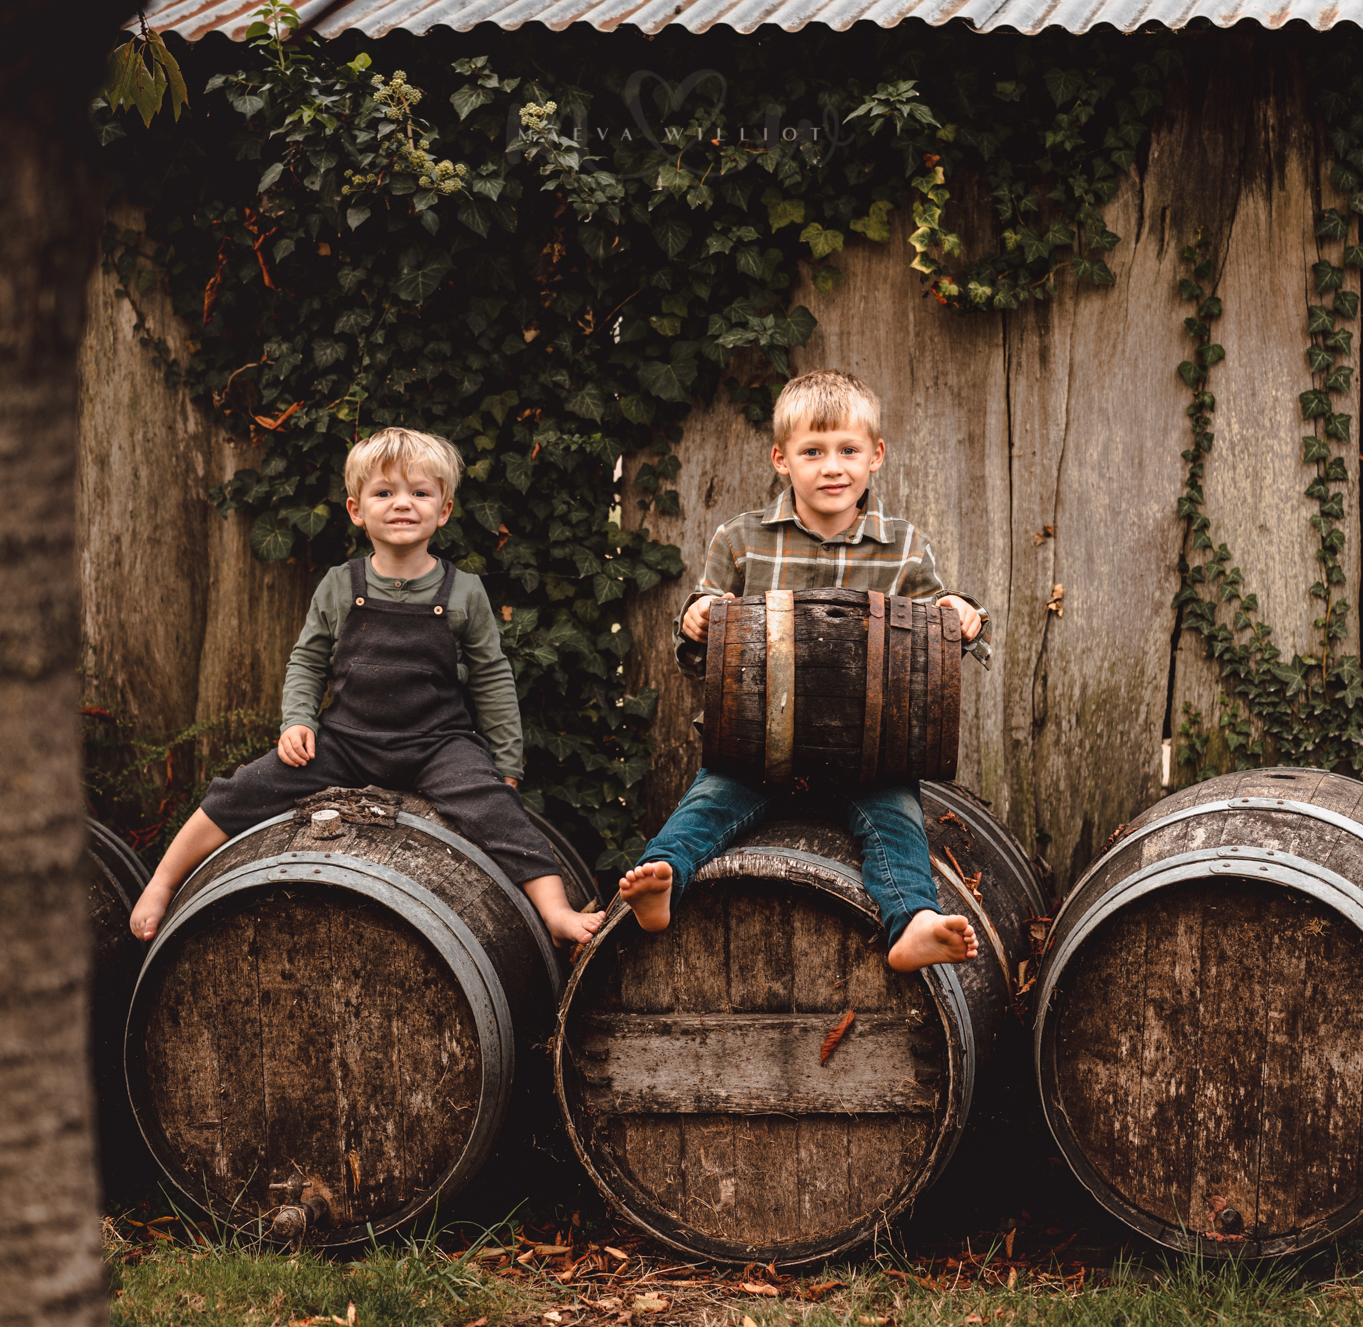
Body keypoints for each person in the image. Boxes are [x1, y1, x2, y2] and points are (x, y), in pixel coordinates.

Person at [129, 427, 603, 952]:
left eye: (420, 493)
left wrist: (508, 765)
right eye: (385, 493)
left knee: (497, 811)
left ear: (444, 510)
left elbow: (492, 676)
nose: (403, 504)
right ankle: (164, 880)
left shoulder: (463, 591)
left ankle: (556, 911)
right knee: (243, 787)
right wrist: (298, 721)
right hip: (346, 741)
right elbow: (307, 660)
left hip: (437, 744)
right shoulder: (340, 583)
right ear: (357, 509)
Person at [619, 369, 989, 973]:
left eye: (848, 450)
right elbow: (705, 634)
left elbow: (939, 626)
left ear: (877, 456)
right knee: (708, 801)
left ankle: (913, 920)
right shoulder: (741, 541)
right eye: (812, 452)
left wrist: (963, 616)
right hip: (760, 746)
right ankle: (664, 879)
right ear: (781, 459)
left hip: (868, 754)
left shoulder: (903, 545)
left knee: (897, 818)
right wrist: (697, 619)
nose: (832, 466)